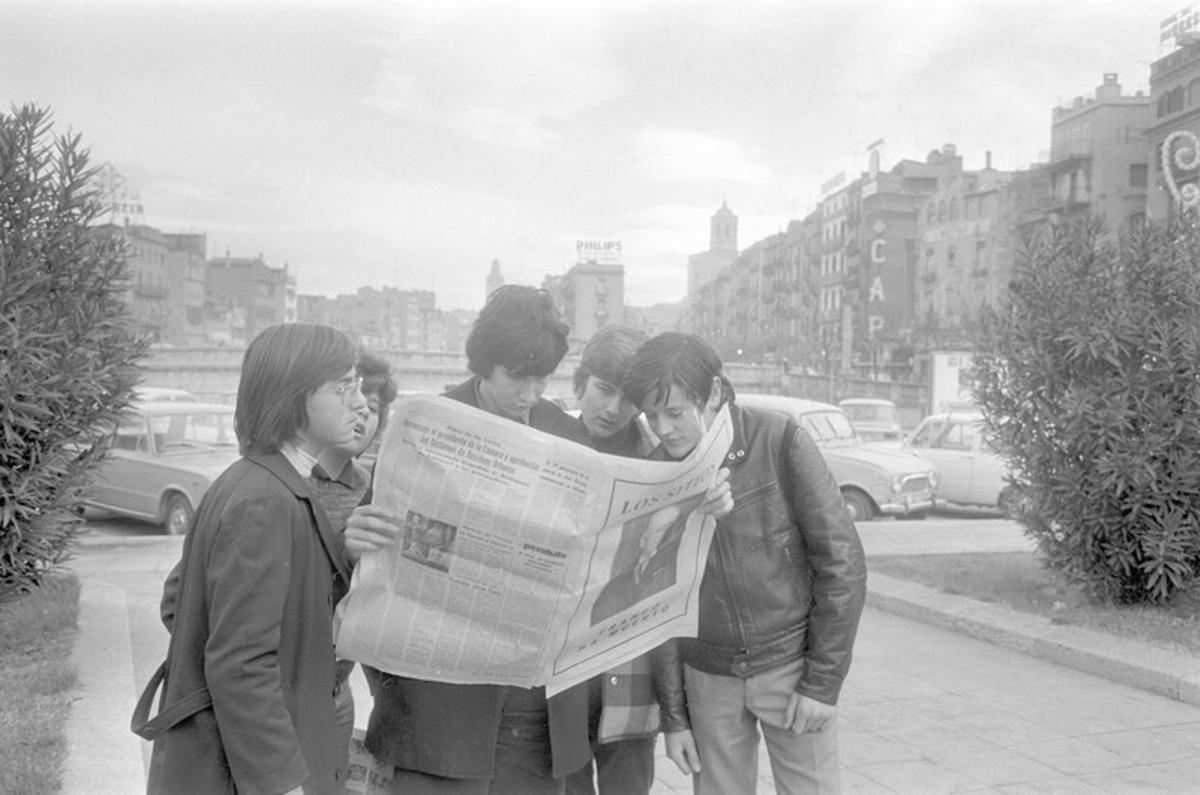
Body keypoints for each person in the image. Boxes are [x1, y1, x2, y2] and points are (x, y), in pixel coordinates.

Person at [344, 285, 592, 794]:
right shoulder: (428, 428)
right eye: (516, 377)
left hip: (533, 714)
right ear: (484, 363)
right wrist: (358, 536)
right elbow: (383, 550)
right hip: (438, 714)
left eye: (542, 378)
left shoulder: (563, 433)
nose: (530, 393)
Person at [621, 331, 867, 795]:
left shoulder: (778, 439)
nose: (664, 428)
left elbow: (843, 563)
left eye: (674, 412)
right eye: (651, 416)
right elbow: (659, 609)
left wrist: (822, 683)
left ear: (714, 392)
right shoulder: (656, 473)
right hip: (707, 674)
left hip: (790, 662)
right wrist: (675, 718)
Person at [134, 323, 366, 795]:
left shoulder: (256, 481)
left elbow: (179, 605)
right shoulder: (267, 499)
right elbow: (240, 662)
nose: (359, 402)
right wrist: (281, 782)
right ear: (293, 396)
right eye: (343, 387)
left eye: (358, 385)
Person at [310, 350, 398, 785]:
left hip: (337, 696)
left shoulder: (372, 487)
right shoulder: (281, 482)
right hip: (279, 695)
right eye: (350, 402)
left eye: (375, 409)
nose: (362, 415)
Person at [590, 502, 685, 625]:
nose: (670, 537)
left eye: (675, 530)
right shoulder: (613, 590)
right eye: (664, 529)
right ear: (643, 540)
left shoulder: (679, 572)